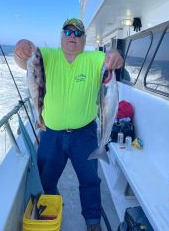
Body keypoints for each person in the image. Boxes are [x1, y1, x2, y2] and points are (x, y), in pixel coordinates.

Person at [14, 18, 123, 231]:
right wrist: (21, 47)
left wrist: (115, 56)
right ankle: (51, 207)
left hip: (85, 134)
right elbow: (26, 61)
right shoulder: (48, 55)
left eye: (78, 33)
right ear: (61, 36)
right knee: (46, 179)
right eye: (68, 32)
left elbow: (111, 59)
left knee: (90, 179)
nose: (72, 36)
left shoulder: (94, 58)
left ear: (84, 39)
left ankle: (92, 221)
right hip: (50, 133)